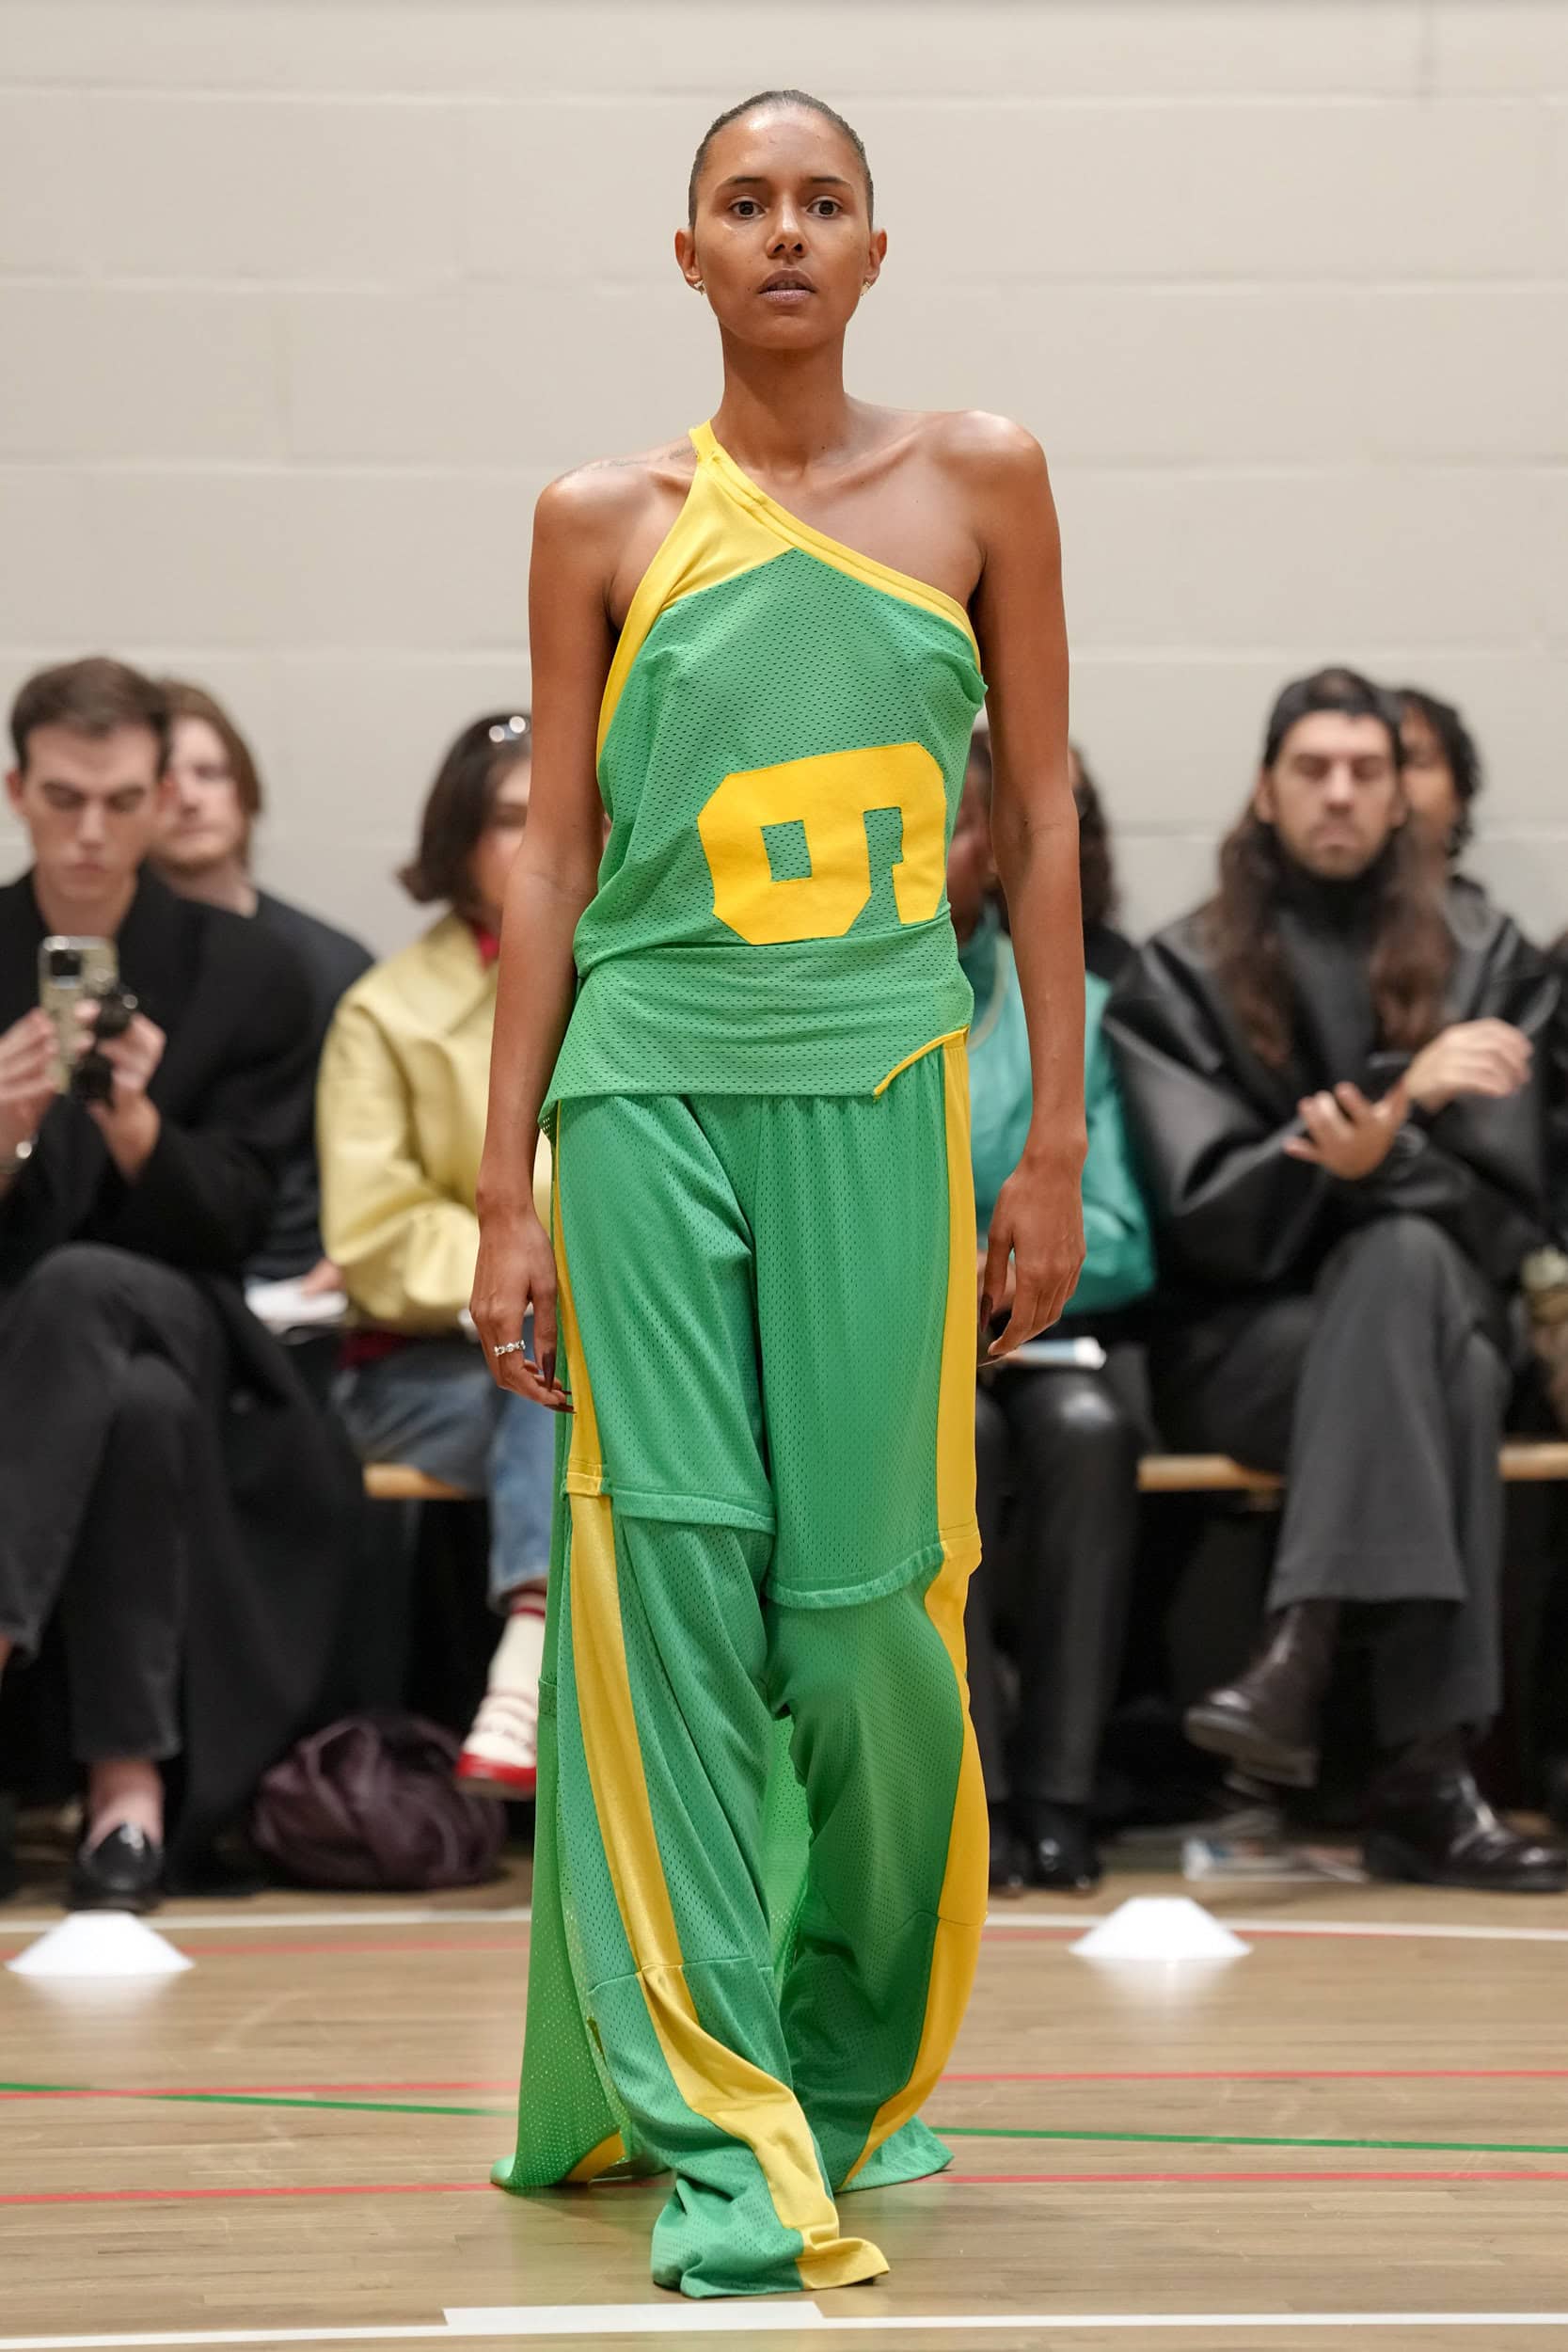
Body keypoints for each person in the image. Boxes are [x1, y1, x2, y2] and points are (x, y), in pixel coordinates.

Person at [469, 90, 1085, 2301]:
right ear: (691, 254)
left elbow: (1039, 815)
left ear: (874, 250)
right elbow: (555, 854)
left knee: (860, 1623)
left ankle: (842, 2047)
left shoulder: (983, 478)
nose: (787, 231)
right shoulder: (595, 515)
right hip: (642, 1090)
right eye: (746, 203)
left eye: (823, 201)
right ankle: (717, 2118)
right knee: (669, 1593)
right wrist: (505, 1185)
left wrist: (1048, 1135)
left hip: (885, 1088)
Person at [1106, 665, 1566, 1893]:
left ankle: (1299, 1648)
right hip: (1248, 1350)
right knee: (1426, 1335)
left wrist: (1379, 1156)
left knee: (1412, 1281)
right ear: (1263, 791)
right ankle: (1424, 1776)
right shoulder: (1178, 970)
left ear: (1400, 799)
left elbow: (1506, 1221)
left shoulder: (1486, 956)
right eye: (1311, 769)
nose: (1340, 793)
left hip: (1438, 1320)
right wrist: (1398, 1112)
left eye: (1366, 770)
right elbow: (1200, 1226)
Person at [0, 657, 362, 1910]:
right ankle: (127, 1804)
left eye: (118, 800)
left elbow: (245, 1221)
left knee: (89, 1288)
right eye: (63, 799)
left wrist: (140, 1129)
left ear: (160, 797)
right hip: (37, 1346)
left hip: (189, 1317)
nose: (90, 832)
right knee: (129, 1401)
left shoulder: (246, 968)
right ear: (17, 791)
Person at [318, 712, 556, 1795]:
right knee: (559, 1377)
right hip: (423, 1370)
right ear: (458, 838)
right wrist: (529, 1266)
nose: (541, 838)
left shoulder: (638, 984)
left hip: (603, 1346)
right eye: (509, 819)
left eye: (564, 815)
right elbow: (375, 1233)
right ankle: (530, 1656)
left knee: (608, 1388)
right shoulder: (386, 1011)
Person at [952, 727, 1154, 1893]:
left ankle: (1059, 1795)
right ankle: (968, 1791)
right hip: (904, 1350)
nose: (932, 849)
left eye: (957, 825)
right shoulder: (829, 1000)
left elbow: (1120, 1233)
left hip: (1042, 1336)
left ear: (992, 842)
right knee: (959, 1445)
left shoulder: (1070, 1002)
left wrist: (1009, 1270)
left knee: (1089, 1432)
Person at [151, 679, 372, 1282]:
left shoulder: (333, 962)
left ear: (245, 790)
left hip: (311, 1268)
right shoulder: (119, 959)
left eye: (210, 773)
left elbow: (368, 1137)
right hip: (167, 1265)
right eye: (164, 780)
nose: (188, 799)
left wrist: (359, 1249)